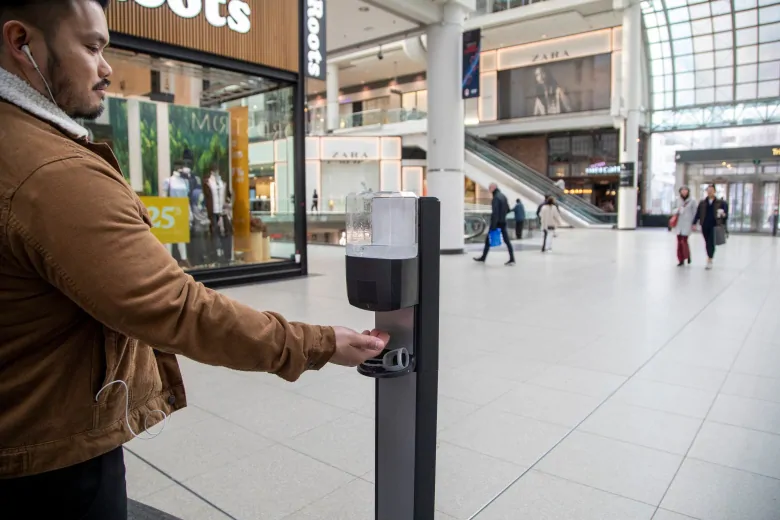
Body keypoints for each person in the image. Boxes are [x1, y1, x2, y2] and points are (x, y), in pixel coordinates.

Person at [0, 1, 389, 517]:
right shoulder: (51, 171)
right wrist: (317, 343)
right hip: (46, 459)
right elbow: (176, 308)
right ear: (21, 41)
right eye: (92, 46)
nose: (106, 67)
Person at [474, 183, 515, 266]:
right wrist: (502, 216)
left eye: (490, 188)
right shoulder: (503, 196)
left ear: (493, 188)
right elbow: (508, 210)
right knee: (507, 241)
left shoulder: (496, 198)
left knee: (488, 240)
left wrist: (493, 226)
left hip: (497, 223)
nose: (489, 190)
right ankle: (512, 258)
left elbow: (495, 213)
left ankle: (483, 257)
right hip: (503, 221)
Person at [693, 184, 729, 270]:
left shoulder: (721, 203)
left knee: (711, 242)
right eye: (708, 191)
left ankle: (709, 259)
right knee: (707, 242)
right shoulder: (702, 203)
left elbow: (726, 215)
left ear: (714, 191)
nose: (710, 192)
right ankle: (709, 257)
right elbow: (698, 213)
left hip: (715, 225)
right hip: (705, 225)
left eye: (711, 190)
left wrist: (723, 215)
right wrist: (694, 223)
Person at [671, 186, 697, 267]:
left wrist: (694, 223)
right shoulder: (677, 200)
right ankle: (680, 259)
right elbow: (672, 210)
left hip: (687, 223)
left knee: (684, 241)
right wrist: (678, 210)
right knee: (679, 242)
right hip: (678, 223)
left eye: (685, 190)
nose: (684, 192)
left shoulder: (692, 201)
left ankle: (687, 256)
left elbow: (694, 212)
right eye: (682, 190)